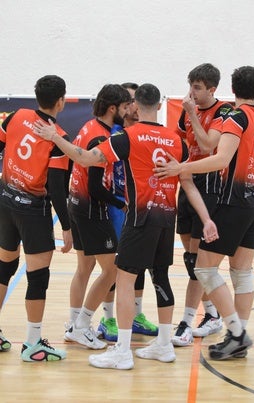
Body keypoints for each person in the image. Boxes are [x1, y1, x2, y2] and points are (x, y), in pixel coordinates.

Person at [33, 83, 218, 370]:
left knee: (124, 279)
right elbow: (188, 183)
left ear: (136, 106)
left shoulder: (126, 137)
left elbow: (84, 158)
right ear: (159, 106)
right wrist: (206, 219)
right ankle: (165, 345)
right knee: (161, 278)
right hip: (167, 219)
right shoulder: (176, 141)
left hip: (139, 217)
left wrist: (55, 137)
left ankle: (122, 350)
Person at [154, 66, 254, 360]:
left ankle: (236, 332)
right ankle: (237, 338)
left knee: (204, 269)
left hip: (233, 201)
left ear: (229, 87)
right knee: (241, 273)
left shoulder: (236, 116)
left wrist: (182, 168)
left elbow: (219, 159)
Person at [0, 75, 73, 361]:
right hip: (32, 210)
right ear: (60, 101)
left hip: (5, 201)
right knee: (38, 277)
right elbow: (56, 189)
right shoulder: (59, 138)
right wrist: (66, 227)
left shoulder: (16, 116)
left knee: (4, 269)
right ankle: (32, 344)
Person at [63, 84, 131, 349]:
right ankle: (82, 325)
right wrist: (121, 204)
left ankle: (72, 324)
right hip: (91, 209)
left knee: (85, 268)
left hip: (76, 204)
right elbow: (95, 187)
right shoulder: (100, 138)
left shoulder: (88, 126)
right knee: (111, 271)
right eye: (125, 107)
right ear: (113, 108)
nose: (127, 112)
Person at [171, 63, 233, 347]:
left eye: (197, 88)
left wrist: (193, 114)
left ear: (212, 89)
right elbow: (183, 144)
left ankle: (185, 320)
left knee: (197, 262)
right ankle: (212, 314)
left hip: (208, 186)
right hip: (186, 182)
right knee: (190, 259)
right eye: (190, 86)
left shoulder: (224, 112)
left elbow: (209, 147)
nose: (191, 93)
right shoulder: (187, 111)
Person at [98, 82, 158, 341]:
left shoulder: (144, 132)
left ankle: (136, 315)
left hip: (139, 205)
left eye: (134, 101)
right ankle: (108, 317)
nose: (132, 106)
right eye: (128, 102)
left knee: (139, 263)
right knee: (116, 264)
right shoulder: (115, 133)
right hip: (116, 204)